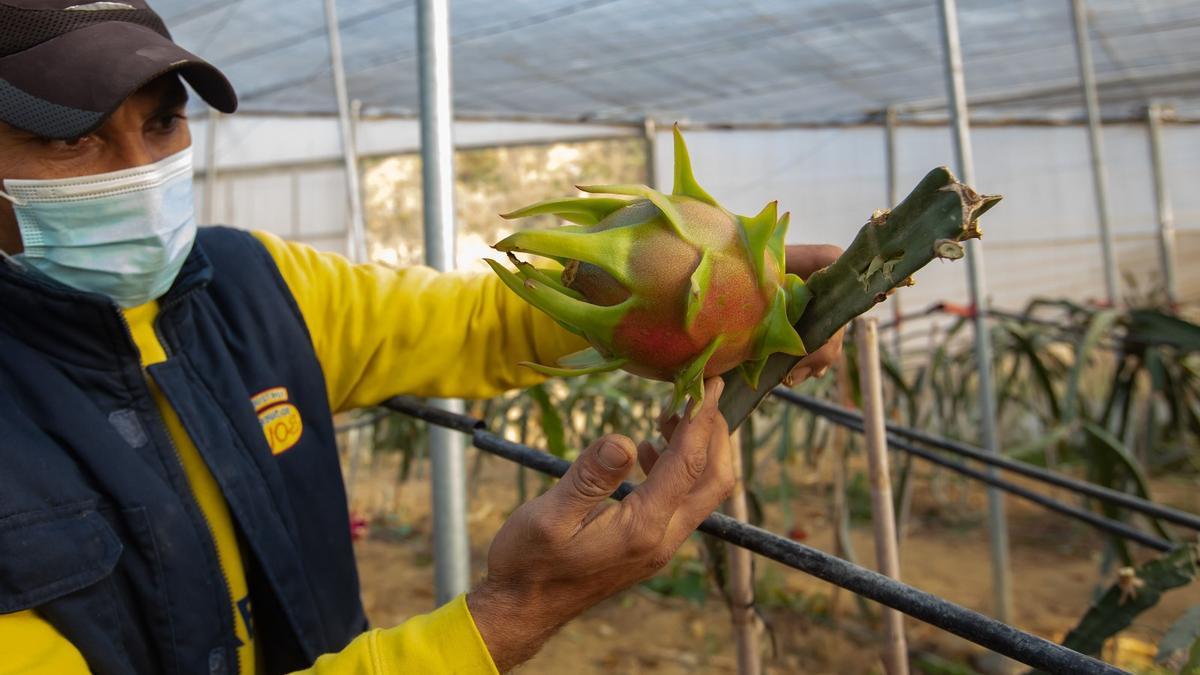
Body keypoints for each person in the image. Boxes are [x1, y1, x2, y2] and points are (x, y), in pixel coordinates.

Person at [0, 2, 843, 673]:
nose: (139, 171)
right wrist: (512, 616)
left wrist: (704, 298)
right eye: (70, 138)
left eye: (160, 125)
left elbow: (482, 324)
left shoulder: (256, 284)